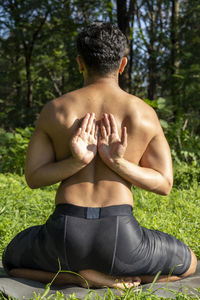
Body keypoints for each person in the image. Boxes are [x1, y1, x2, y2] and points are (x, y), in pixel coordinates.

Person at [2, 22, 197, 289]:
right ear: (123, 64)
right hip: (122, 239)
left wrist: (76, 161)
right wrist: (118, 162)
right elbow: (164, 184)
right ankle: (123, 280)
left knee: (11, 261)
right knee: (191, 263)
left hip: (63, 236)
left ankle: (78, 277)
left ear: (80, 63)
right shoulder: (143, 113)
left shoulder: (55, 110)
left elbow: (34, 178)